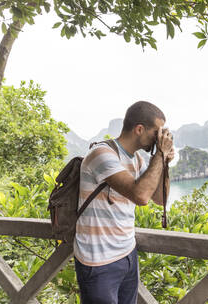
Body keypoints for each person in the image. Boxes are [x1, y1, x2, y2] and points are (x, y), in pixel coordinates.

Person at [73, 101, 174, 304]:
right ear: (139, 129)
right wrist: (159, 155)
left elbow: (159, 199)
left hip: (127, 254)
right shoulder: (102, 154)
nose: (159, 138)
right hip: (98, 260)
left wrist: (163, 163)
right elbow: (141, 196)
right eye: (157, 132)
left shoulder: (137, 160)